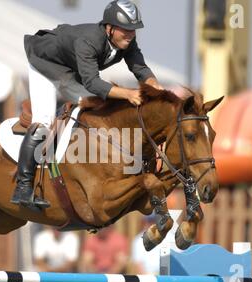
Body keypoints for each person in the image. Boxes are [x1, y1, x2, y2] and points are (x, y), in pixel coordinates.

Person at [11, 0, 164, 209]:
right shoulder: (89, 41)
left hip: (70, 70)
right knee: (44, 122)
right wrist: (127, 93)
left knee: (100, 105)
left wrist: (158, 89)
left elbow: (140, 68)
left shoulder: (127, 42)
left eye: (134, 30)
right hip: (45, 64)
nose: (130, 34)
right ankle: (23, 186)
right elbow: (92, 82)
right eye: (125, 30)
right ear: (109, 28)